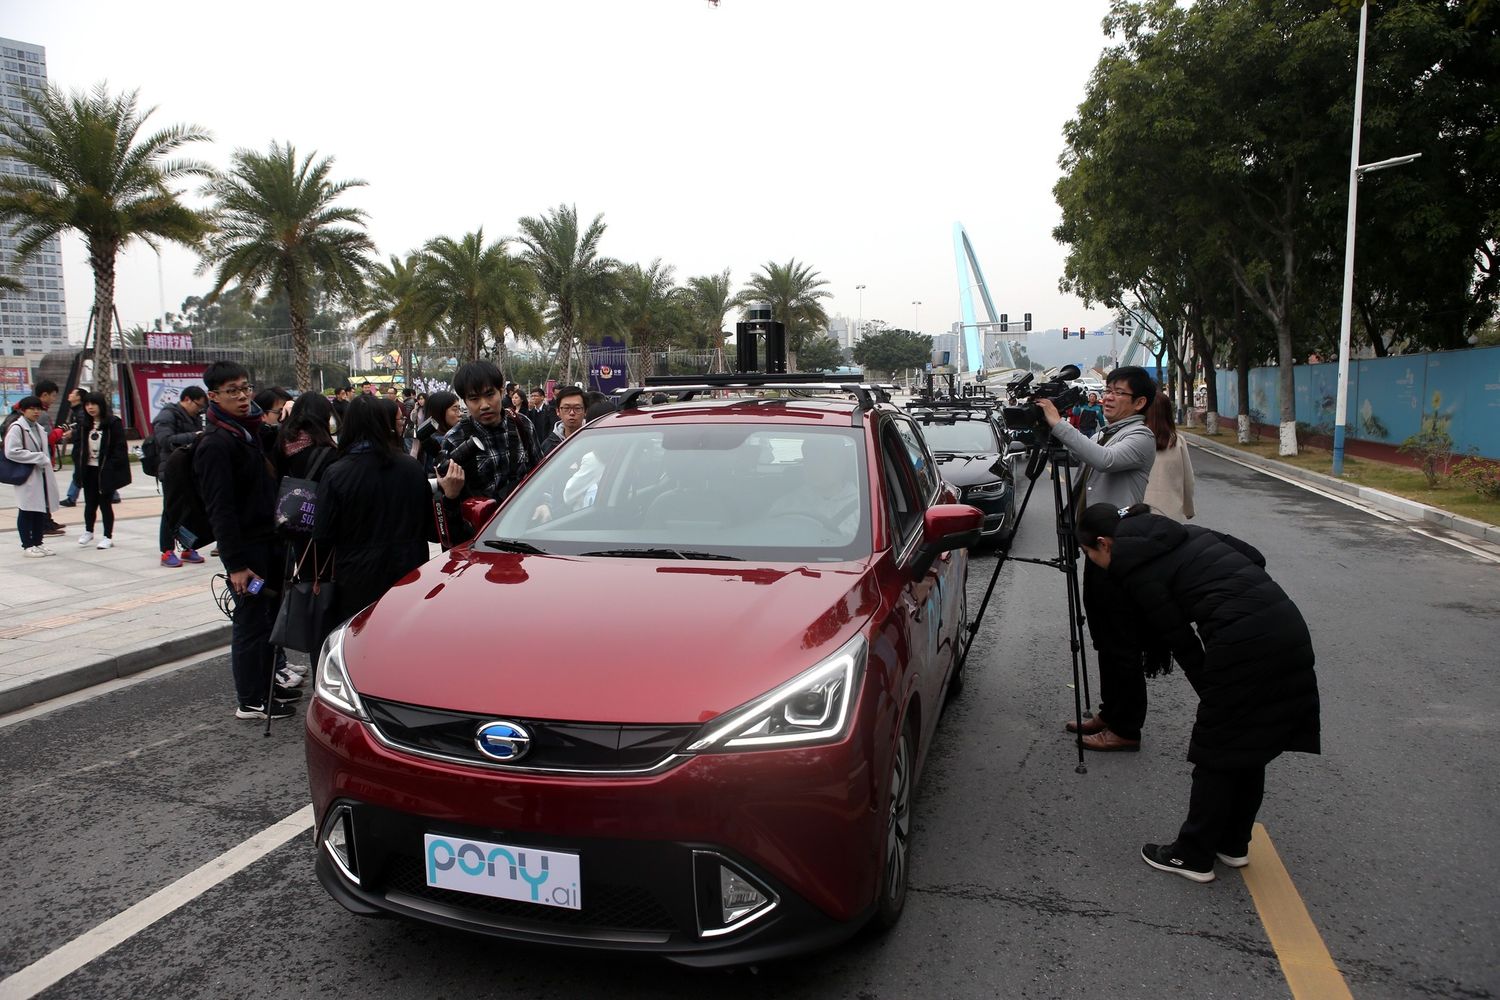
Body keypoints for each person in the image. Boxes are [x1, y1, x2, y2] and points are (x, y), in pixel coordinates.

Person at [1075, 503, 1320, 883]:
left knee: (1217, 749)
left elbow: (1182, 642)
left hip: (1243, 644)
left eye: (1089, 554)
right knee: (1248, 745)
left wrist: (1212, 695)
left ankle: (1192, 855)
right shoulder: (1178, 533)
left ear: (1104, 544)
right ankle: (1233, 844)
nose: (1092, 562)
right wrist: (1231, 594)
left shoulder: (1137, 571)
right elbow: (1254, 556)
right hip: (1285, 624)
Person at [1036, 365, 1158, 753]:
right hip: (1098, 546)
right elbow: (1086, 459)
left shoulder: (1140, 437)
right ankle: (1110, 711)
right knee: (1104, 637)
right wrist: (1054, 435)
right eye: (1107, 389)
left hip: (1120, 551)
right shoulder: (1111, 430)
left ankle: (1126, 728)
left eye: (1118, 392)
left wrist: (1059, 425)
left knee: (1121, 641)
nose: (1107, 397)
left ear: (1139, 402)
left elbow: (1103, 460)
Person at [195, 361, 297, 721]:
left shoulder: (247, 432)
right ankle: (251, 700)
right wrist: (236, 565)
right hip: (248, 551)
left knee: (268, 620)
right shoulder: (216, 443)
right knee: (250, 622)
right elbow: (220, 510)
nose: (242, 396)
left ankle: (268, 687)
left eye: (245, 388)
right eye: (232, 391)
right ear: (213, 396)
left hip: (268, 542)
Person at [314, 395, 447, 633]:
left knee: (361, 636)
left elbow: (323, 534)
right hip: (409, 569)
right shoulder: (411, 468)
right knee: (406, 633)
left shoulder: (336, 474)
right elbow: (431, 529)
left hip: (356, 575)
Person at [442, 360, 538, 503]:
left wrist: (543, 504)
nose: (484, 405)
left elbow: (539, 473)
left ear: (501, 392)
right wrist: (450, 494)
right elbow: (447, 498)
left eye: (489, 394)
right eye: (474, 399)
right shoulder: (454, 439)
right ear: (465, 401)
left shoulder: (523, 425)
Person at [154, 385, 208, 566]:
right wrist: (194, 436)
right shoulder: (167, 414)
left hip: (188, 470)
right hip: (171, 470)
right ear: (186, 399)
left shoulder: (193, 417)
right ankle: (166, 551)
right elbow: (165, 440)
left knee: (190, 509)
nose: (199, 410)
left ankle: (188, 546)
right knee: (170, 511)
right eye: (198, 405)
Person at [72, 392, 132, 550]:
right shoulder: (84, 424)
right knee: (89, 503)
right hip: (88, 469)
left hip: (105, 470)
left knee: (105, 504)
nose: (90, 407)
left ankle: (107, 536)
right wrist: (78, 463)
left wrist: (111, 466)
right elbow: (78, 446)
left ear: (101, 405)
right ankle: (88, 531)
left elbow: (120, 448)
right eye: (87, 404)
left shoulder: (113, 423)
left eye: (93, 404)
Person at [5, 395, 59, 557]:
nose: (36, 412)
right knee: (26, 510)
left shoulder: (38, 428)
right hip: (27, 475)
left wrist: (42, 459)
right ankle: (27, 545)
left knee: (39, 510)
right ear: (23, 410)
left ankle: (38, 542)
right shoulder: (17, 428)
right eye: (32, 409)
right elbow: (11, 452)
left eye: (38, 409)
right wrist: (37, 457)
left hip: (41, 474)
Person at [1143, 392, 1195, 522]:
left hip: (1139, 512)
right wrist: (1189, 509)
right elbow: (1188, 480)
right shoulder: (1177, 441)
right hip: (1171, 514)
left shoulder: (1134, 439)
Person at [412, 390, 461, 476]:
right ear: (439, 411)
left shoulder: (429, 436)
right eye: (455, 409)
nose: (460, 414)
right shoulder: (438, 441)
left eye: (459, 409)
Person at [57, 386, 87, 507]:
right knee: (83, 472)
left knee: (80, 472)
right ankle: (113, 494)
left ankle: (71, 497)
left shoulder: (81, 412)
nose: (70, 395)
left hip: (83, 447)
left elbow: (84, 429)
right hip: (79, 446)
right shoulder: (76, 411)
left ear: (78, 397)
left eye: (73, 393)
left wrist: (73, 433)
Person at [537, 384, 587, 458]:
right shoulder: (548, 446)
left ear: (585, 411)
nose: (572, 413)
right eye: (566, 408)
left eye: (577, 408)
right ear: (558, 411)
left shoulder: (593, 440)